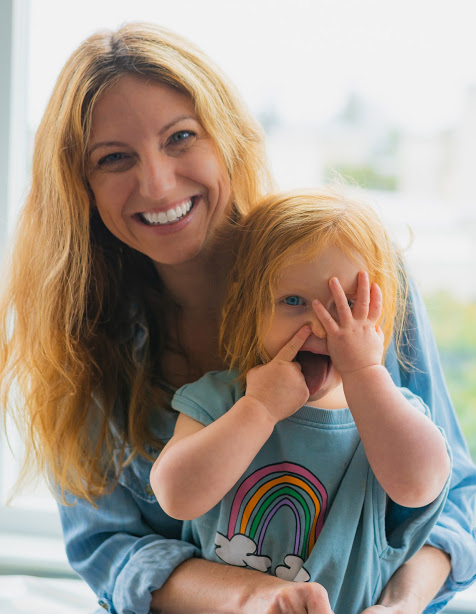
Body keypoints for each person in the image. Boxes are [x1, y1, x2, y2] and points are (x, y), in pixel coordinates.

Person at [0, 21, 474, 614]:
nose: (157, 181)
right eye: (115, 158)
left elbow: (453, 496)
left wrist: (402, 602)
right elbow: (110, 549)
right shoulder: (82, 343)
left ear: (227, 136)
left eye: (180, 138)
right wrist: (258, 598)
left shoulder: (353, 280)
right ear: (80, 187)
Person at [151, 188, 452, 614]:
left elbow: (420, 486)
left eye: (347, 305)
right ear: (248, 306)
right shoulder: (220, 399)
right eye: (293, 302)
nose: (320, 325)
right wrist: (259, 409)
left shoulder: (387, 414)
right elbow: (175, 496)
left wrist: (366, 376)